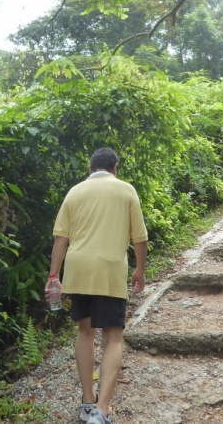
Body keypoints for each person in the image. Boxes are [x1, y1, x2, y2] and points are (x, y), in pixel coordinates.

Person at [46, 148, 148, 424]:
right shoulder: (126, 190)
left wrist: (53, 276)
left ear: (90, 168)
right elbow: (140, 237)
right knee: (113, 336)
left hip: (78, 270)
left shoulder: (74, 192)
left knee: (85, 331)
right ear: (115, 167)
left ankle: (88, 402)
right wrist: (140, 269)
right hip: (109, 269)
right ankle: (101, 411)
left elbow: (60, 240)